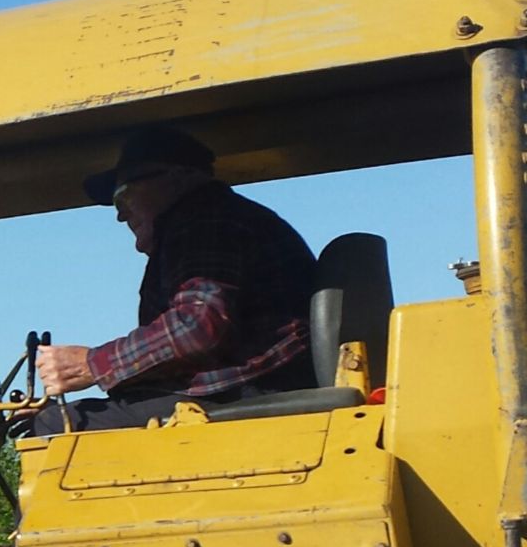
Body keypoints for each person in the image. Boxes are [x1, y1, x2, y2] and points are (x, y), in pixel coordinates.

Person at [30, 126, 318, 434]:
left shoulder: (203, 220)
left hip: (255, 388)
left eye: (123, 195)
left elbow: (197, 326)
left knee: (55, 425)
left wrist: (92, 364)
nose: (120, 215)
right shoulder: (223, 218)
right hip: (255, 381)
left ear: (178, 178)